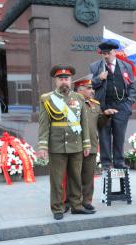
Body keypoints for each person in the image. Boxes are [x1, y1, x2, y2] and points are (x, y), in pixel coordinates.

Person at [37, 65, 95, 220]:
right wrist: (42, 146)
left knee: (76, 177)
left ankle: (76, 205)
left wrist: (86, 144)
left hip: (76, 145)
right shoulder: (47, 99)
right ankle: (57, 208)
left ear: (71, 81)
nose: (64, 82)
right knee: (57, 180)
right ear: (56, 81)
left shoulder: (79, 98)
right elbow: (43, 124)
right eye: (61, 79)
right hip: (57, 145)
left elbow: (84, 122)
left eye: (67, 79)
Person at [73, 75, 118, 211]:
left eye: (92, 88)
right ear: (79, 90)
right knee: (74, 176)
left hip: (91, 145)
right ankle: (73, 202)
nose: (92, 91)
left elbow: (100, 123)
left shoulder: (95, 104)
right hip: (74, 145)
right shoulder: (72, 104)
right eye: (89, 88)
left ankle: (86, 201)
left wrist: (106, 115)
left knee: (88, 176)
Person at [89, 40, 136, 169]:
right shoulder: (95, 67)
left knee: (119, 135)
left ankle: (119, 162)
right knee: (104, 135)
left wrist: (130, 101)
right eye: (103, 53)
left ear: (114, 52)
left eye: (108, 53)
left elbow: (131, 85)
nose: (106, 56)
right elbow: (88, 85)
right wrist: (99, 78)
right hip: (104, 105)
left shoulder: (126, 66)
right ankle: (106, 163)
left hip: (122, 106)